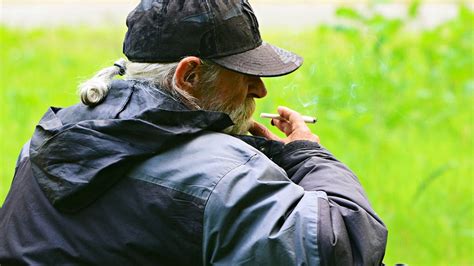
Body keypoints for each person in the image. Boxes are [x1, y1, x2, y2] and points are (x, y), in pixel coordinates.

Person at [0, 0, 387, 265]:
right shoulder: (226, 175)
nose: (259, 90)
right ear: (189, 76)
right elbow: (346, 246)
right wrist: (305, 154)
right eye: (245, 73)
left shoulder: (43, 143)